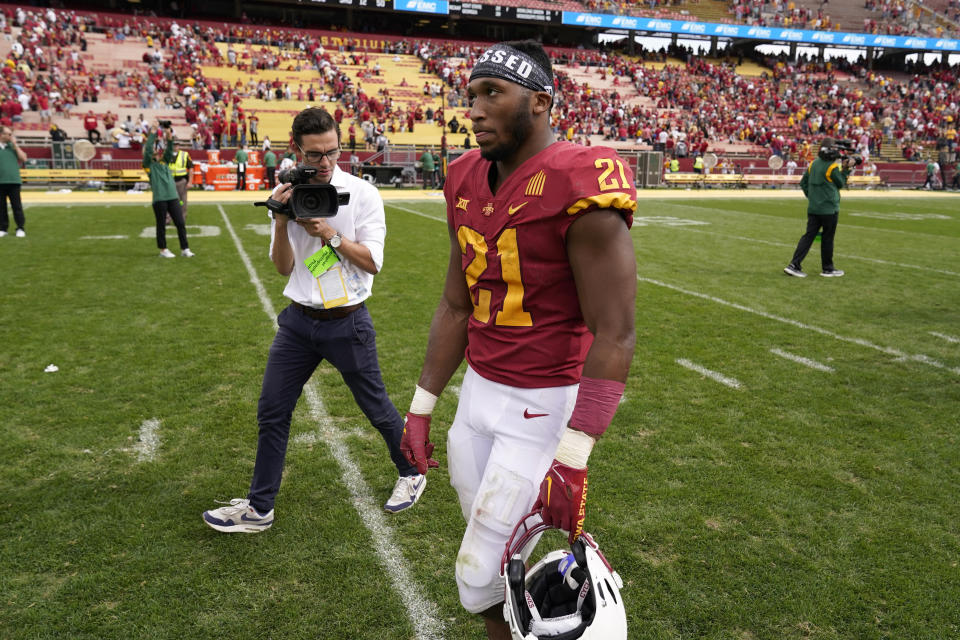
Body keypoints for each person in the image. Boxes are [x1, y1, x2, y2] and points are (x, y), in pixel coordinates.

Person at [399, 41, 637, 640]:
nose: (474, 109)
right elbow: (457, 304)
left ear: (540, 102)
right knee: (500, 567)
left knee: (476, 573)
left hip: (542, 404)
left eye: (492, 94)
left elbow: (616, 332)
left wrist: (574, 458)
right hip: (478, 396)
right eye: (471, 95)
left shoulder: (579, 179)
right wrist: (422, 407)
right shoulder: (462, 176)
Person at [202, 107, 426, 534]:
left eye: (332, 152)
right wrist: (283, 221)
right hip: (299, 323)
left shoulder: (361, 194)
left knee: (375, 406)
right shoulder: (286, 190)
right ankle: (259, 508)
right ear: (296, 150)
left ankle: (412, 470)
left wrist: (329, 234)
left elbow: (372, 262)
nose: (324, 164)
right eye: (314, 155)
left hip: (347, 321)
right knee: (272, 410)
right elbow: (282, 267)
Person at [784, 137, 852, 278]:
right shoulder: (832, 167)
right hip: (829, 209)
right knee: (827, 238)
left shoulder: (813, 164)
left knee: (808, 236)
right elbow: (840, 183)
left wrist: (813, 197)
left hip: (814, 208)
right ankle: (827, 268)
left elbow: (803, 183)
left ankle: (794, 264)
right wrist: (847, 169)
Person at [143, 123, 193, 258]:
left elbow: (169, 149)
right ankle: (163, 250)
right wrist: (153, 133)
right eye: (155, 153)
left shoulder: (165, 162)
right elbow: (148, 149)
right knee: (161, 226)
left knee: (180, 223)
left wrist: (168, 134)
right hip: (160, 199)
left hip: (172, 197)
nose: (157, 153)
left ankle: (185, 248)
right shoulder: (148, 166)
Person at [0, 126, 27, 238]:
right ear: (1, 135)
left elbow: (24, 158)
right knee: (1, 207)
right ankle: (3, 228)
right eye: (9, 134)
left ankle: (20, 228)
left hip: (14, 181)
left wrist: (15, 145)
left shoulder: (12, 146)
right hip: (1, 182)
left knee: (17, 206)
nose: (11, 136)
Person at [168, 141, 193, 219]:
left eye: (176, 145)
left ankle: (182, 217)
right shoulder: (167, 155)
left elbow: (191, 168)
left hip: (181, 181)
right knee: (169, 200)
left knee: (182, 201)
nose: (175, 147)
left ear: (179, 146)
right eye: (173, 145)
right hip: (170, 182)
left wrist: (190, 182)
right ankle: (168, 218)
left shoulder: (184, 155)